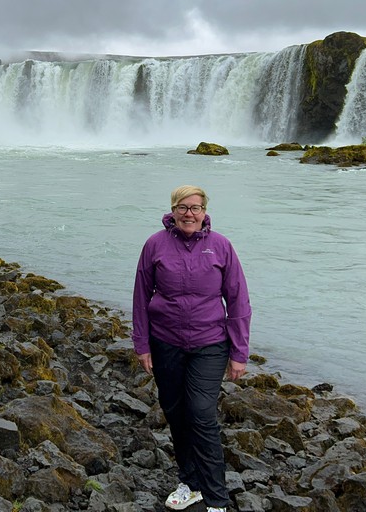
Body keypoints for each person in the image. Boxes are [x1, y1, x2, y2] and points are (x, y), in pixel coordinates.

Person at [132, 185, 252, 512]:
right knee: (175, 412)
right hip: (165, 341)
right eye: (183, 207)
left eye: (196, 208)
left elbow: (239, 300)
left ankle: (216, 501)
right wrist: (142, 344)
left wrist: (239, 352)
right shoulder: (155, 245)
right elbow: (141, 298)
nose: (190, 214)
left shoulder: (221, 247)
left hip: (209, 343)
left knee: (201, 413)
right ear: (172, 210)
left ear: (205, 211)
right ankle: (190, 483)